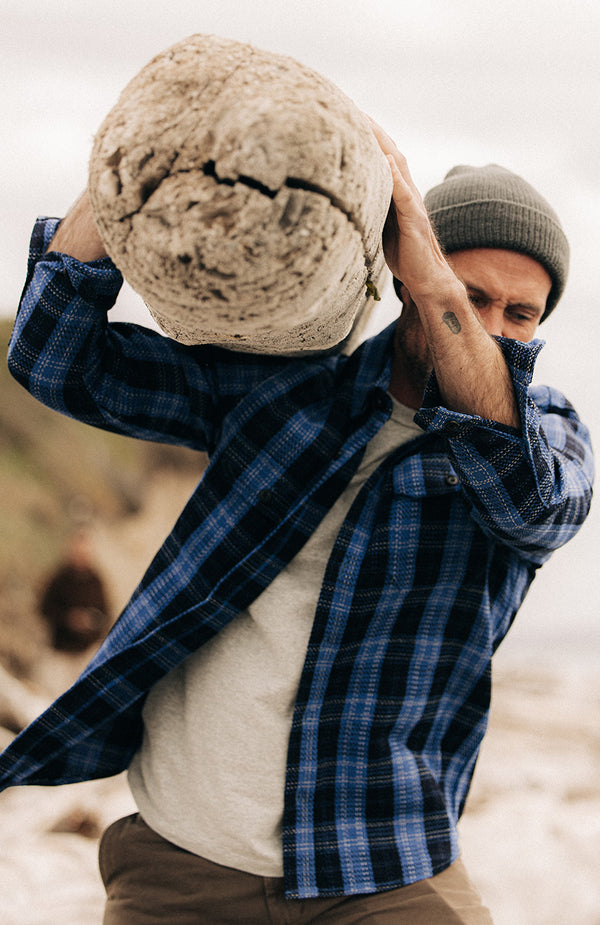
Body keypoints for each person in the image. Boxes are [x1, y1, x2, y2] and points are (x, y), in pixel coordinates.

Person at [0, 120, 593, 924]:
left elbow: (533, 503)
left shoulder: (546, 442)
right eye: (467, 292)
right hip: (183, 864)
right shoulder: (283, 387)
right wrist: (130, 173)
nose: (490, 325)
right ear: (405, 277)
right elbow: (51, 353)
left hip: (381, 866)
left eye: (520, 314)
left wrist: (437, 282)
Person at [39, 527, 111, 652]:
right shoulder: (59, 578)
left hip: (86, 651)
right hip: (60, 649)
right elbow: (44, 608)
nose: (80, 556)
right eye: (77, 552)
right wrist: (68, 619)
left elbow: (105, 616)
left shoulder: (96, 582)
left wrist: (89, 621)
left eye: (83, 553)